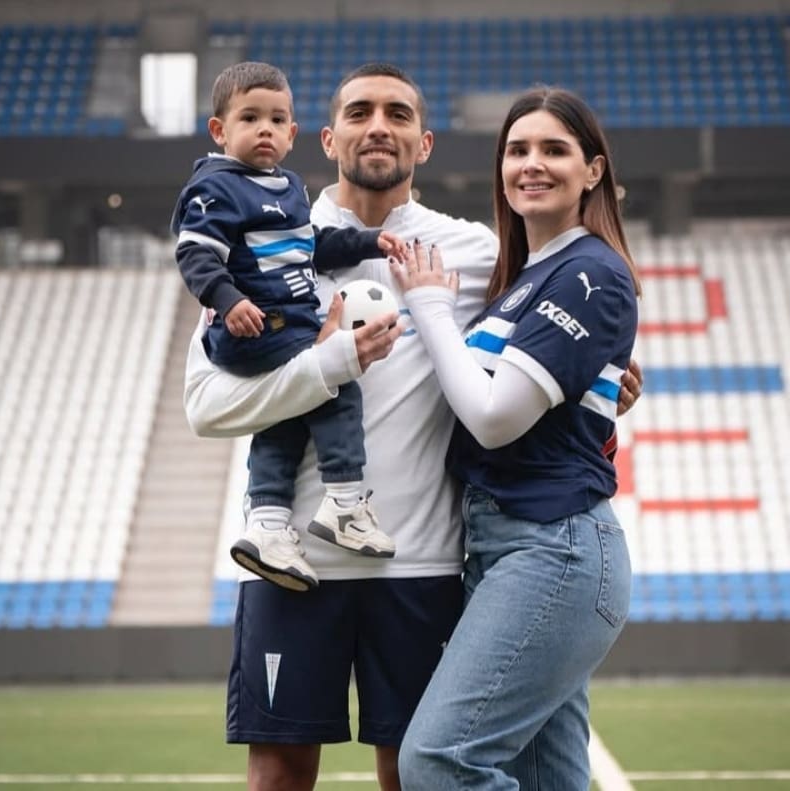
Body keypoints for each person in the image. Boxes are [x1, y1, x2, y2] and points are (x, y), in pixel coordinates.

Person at [184, 64, 643, 791]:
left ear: (424, 143)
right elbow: (205, 406)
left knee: (415, 770)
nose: (379, 126)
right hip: (295, 560)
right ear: (327, 138)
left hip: (426, 560)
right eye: (360, 111)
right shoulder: (264, 244)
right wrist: (327, 361)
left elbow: (553, 344)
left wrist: (608, 385)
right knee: (278, 772)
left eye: (398, 114)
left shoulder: (477, 255)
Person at [392, 87, 640, 790]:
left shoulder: (588, 272)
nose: (533, 164)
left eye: (554, 149)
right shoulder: (526, 279)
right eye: (518, 150)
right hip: (513, 549)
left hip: (552, 550)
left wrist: (432, 307)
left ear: (593, 170)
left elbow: (495, 416)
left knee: (439, 762)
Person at [172, 61, 408, 591]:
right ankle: (345, 504)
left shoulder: (286, 186)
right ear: (219, 130)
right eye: (250, 118)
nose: (265, 130)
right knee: (337, 386)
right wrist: (229, 301)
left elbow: (312, 247)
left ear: (293, 132)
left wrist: (370, 240)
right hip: (261, 325)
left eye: (277, 120)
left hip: (280, 324)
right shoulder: (217, 187)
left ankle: (268, 526)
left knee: (285, 415)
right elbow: (195, 254)